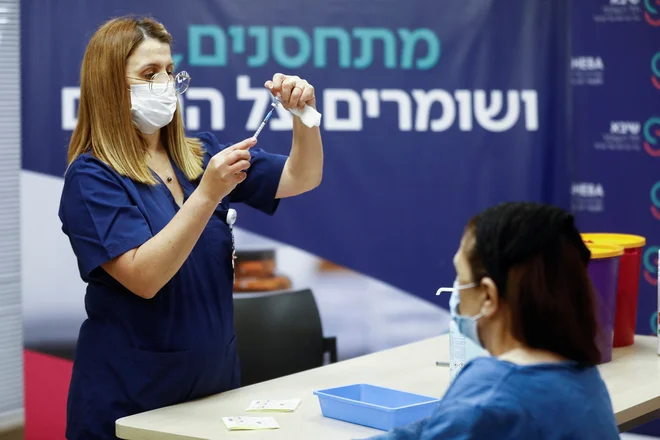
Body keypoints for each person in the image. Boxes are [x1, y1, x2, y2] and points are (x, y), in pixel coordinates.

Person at [58, 16, 323, 439]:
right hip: (131, 402)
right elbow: (144, 277)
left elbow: (301, 177)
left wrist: (303, 117)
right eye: (148, 74)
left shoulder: (199, 154)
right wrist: (208, 194)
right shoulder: (92, 178)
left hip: (213, 389)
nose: (165, 83)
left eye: (168, 71)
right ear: (109, 86)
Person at [368, 202, 619, 440]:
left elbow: (466, 418)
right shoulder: (584, 379)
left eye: (461, 276)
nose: (457, 290)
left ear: (488, 296)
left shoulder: (490, 392)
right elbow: (446, 426)